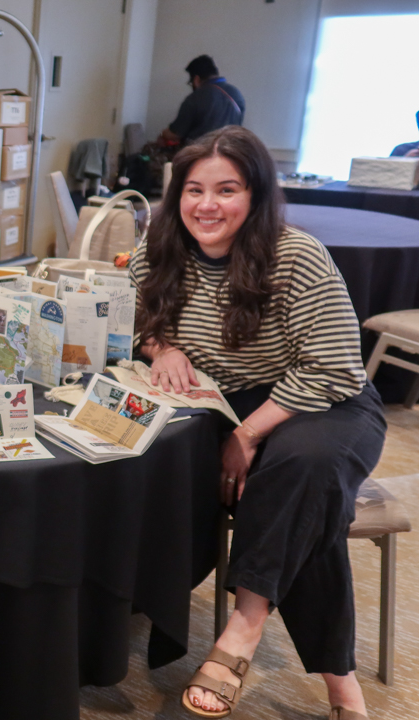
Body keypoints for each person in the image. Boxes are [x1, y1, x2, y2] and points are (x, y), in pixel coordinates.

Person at [129, 126, 384, 720]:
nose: (207, 205)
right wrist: (162, 348)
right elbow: (138, 319)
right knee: (303, 502)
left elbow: (332, 368)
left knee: (303, 465)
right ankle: (343, 687)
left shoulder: (295, 255)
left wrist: (247, 435)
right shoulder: (156, 249)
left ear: (256, 194)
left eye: (227, 189)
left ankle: (243, 627)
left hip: (328, 402)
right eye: (194, 190)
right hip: (226, 402)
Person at [159, 55, 245, 147]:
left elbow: (175, 134)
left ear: (196, 79)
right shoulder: (236, 94)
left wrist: (163, 134)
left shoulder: (195, 98)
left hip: (199, 155)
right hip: (229, 153)